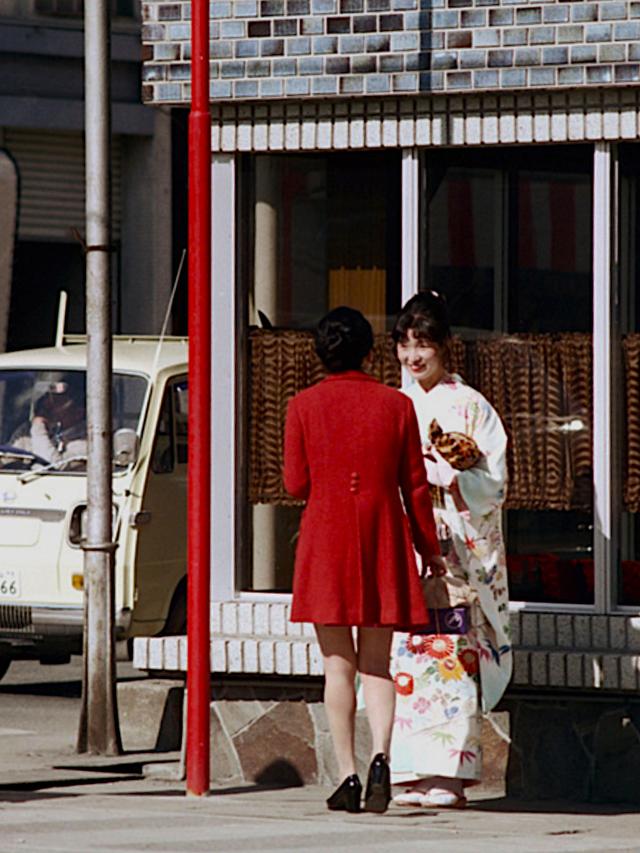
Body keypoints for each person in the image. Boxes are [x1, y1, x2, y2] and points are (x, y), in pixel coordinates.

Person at [283, 306, 444, 815]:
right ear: (370, 353)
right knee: (377, 663)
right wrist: (430, 551)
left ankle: (347, 775)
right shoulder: (396, 406)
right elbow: (415, 488)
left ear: (320, 354)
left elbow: (295, 483)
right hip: (383, 535)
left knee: (337, 665)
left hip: (326, 537)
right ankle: (382, 758)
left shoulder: (302, 405)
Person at [389, 291, 512, 810]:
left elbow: (495, 484)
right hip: (411, 541)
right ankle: (412, 769)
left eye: (424, 345)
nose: (414, 356)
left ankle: (452, 774)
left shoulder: (471, 405)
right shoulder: (397, 402)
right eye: (406, 344)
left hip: (458, 544)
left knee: (454, 655)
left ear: (445, 347)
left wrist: (447, 471)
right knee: (410, 654)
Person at [12, 381, 87, 464]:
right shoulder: (33, 430)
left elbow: (52, 466)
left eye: (58, 402)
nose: (49, 405)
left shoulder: (86, 441)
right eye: (49, 398)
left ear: (79, 411)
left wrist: (39, 428)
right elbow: (10, 455)